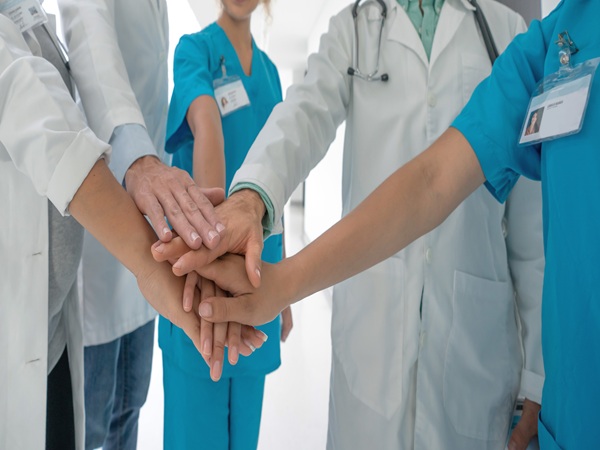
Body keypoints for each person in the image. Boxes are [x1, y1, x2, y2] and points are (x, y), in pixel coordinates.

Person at [156, 0, 600, 448]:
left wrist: (536, 380)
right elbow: (302, 116)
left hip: (474, 342)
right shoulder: (354, 26)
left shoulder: (507, 32)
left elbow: (532, 232)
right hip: (371, 329)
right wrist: (251, 199)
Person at [0, 8, 265, 450]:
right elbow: (30, 96)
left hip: (66, 320)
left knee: (127, 413)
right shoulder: (197, 49)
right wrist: (186, 244)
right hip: (100, 269)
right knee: (103, 419)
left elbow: (88, 52)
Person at [159, 0, 292, 448]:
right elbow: (208, 125)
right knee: (194, 433)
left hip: (259, 279)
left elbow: (278, 185)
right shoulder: (193, 50)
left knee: (244, 438)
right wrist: (211, 251)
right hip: (201, 280)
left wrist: (286, 286)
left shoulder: (272, 74)